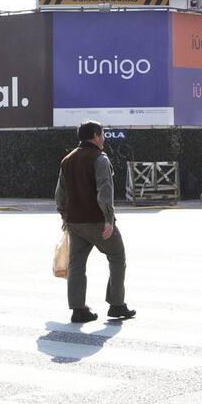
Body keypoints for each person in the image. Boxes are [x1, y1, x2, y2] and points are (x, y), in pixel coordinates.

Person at [55, 120, 136, 324]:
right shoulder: (99, 159)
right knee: (117, 256)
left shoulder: (68, 159)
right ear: (96, 136)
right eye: (102, 134)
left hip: (75, 222)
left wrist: (64, 215)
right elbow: (105, 190)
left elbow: (60, 193)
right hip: (97, 221)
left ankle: (78, 309)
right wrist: (108, 219)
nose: (104, 138)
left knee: (76, 264)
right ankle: (116, 304)